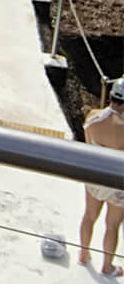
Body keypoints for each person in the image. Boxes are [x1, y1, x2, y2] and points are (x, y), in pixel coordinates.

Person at [78, 78, 124, 276]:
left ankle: (84, 253)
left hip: (95, 175)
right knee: (112, 225)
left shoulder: (93, 117)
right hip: (116, 182)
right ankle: (107, 266)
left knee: (89, 216)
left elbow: (89, 143)